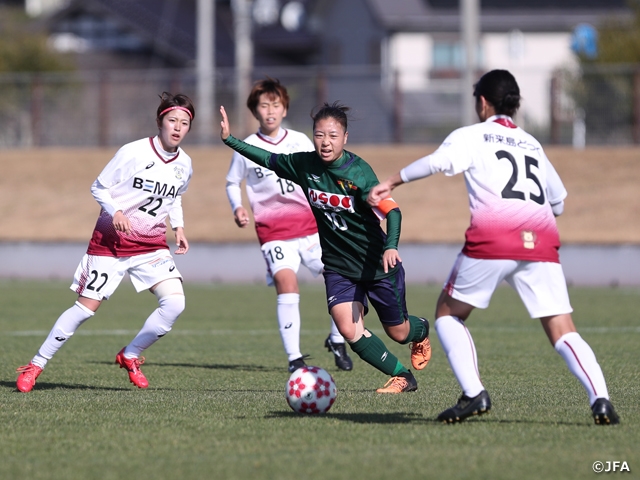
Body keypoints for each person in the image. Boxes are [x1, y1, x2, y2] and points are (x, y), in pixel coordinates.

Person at [368, 69, 619, 424]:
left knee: (448, 313)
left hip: (495, 237)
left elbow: (437, 162)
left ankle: (474, 394)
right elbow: (558, 203)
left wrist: (391, 181)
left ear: (483, 102)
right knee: (564, 330)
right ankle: (602, 400)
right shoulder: (532, 143)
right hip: (542, 241)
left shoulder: (473, 135)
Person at [220, 101, 431, 393]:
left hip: (375, 263)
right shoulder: (305, 165)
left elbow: (393, 211)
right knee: (347, 329)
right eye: (319, 135)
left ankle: (421, 330)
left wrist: (391, 246)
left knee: (399, 332)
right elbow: (268, 159)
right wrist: (231, 141)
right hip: (337, 265)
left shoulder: (359, 174)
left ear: (345, 138)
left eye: (332, 135)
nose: (325, 142)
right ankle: (402, 376)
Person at [16, 92, 195, 392]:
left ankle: (131, 354)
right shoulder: (134, 152)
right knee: (85, 309)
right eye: (172, 120)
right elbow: (99, 187)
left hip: (150, 245)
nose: (177, 127)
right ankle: (36, 364)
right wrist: (116, 212)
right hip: (110, 244)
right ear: (159, 121)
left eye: (185, 123)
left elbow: (174, 196)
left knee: (175, 303)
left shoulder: (185, 164)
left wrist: (178, 227)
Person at [225, 78, 353, 372]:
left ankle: (337, 339)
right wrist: (238, 207)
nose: (270, 111)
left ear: (284, 109)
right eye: (263, 105)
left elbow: (321, 175)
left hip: (311, 229)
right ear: (254, 111)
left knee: (343, 279)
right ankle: (295, 359)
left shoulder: (300, 141)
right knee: (288, 285)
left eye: (276, 105)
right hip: (275, 234)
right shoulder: (247, 147)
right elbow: (232, 182)